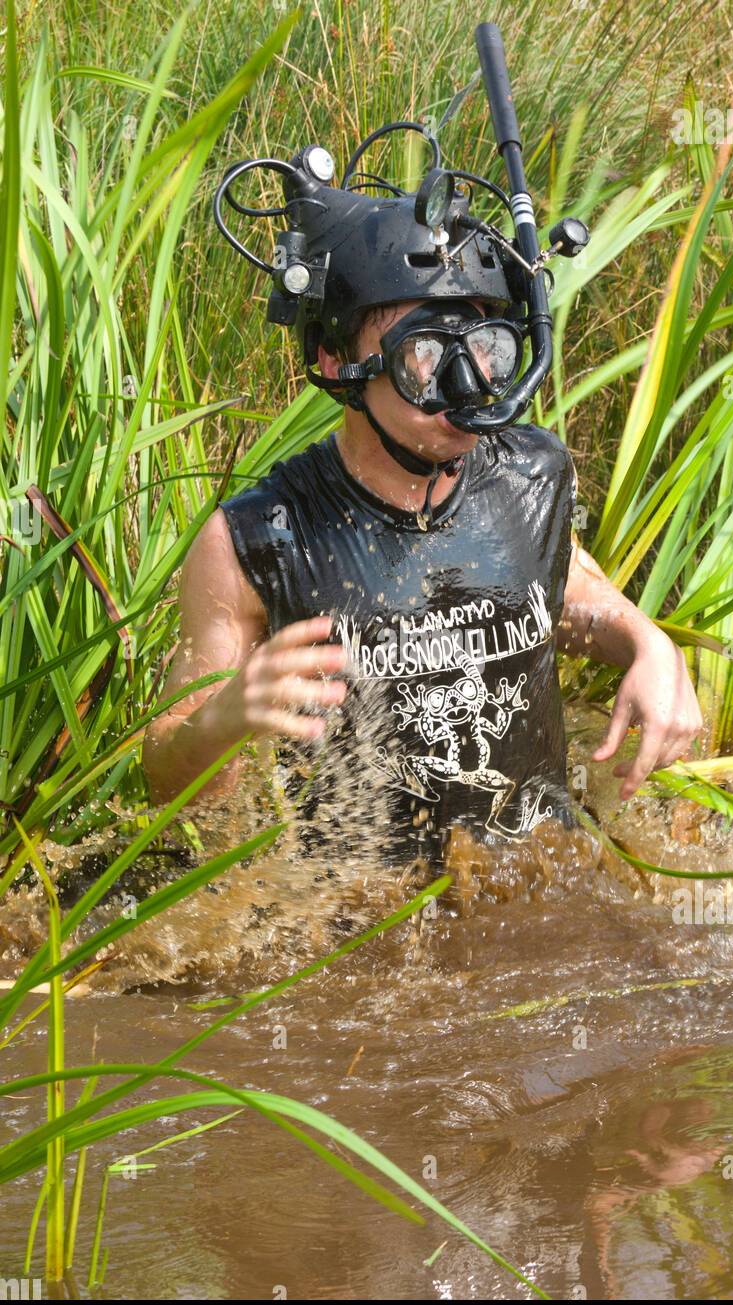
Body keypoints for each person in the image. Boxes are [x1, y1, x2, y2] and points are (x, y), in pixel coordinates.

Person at [142, 134, 702, 871]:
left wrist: (647, 645)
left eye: (487, 351)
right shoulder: (257, 539)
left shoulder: (530, 475)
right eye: (426, 359)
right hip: (356, 922)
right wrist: (221, 720)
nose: (469, 385)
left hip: (536, 887)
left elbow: (571, 597)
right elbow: (165, 783)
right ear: (337, 362)